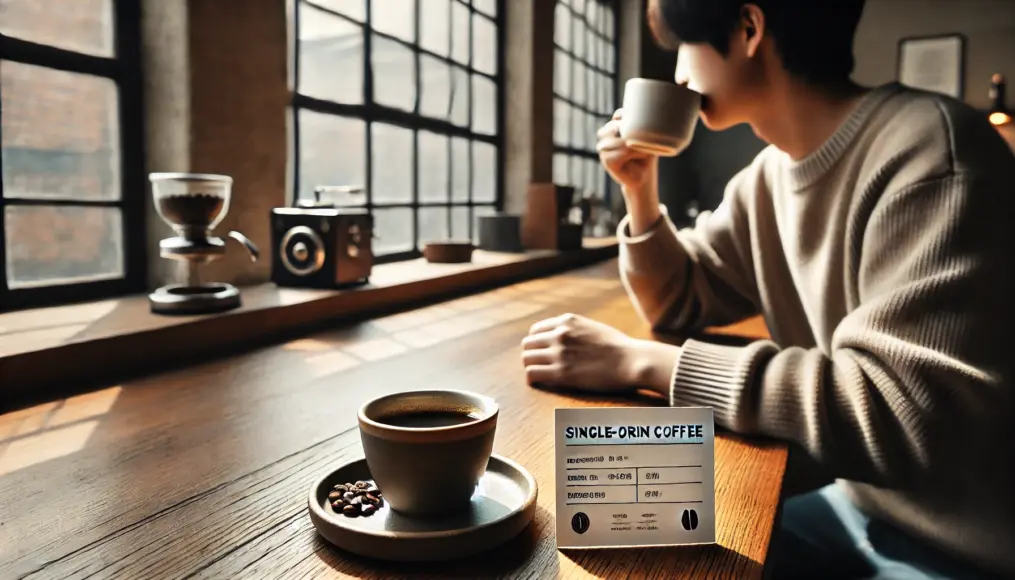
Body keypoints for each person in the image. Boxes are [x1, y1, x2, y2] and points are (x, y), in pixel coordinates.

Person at [521, 0, 1015, 577]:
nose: (679, 73)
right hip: (856, 500)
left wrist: (643, 363)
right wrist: (638, 189)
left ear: (749, 29)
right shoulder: (767, 178)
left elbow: (903, 412)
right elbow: (678, 300)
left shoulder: (932, 151)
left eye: (685, 45)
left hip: (959, 547)